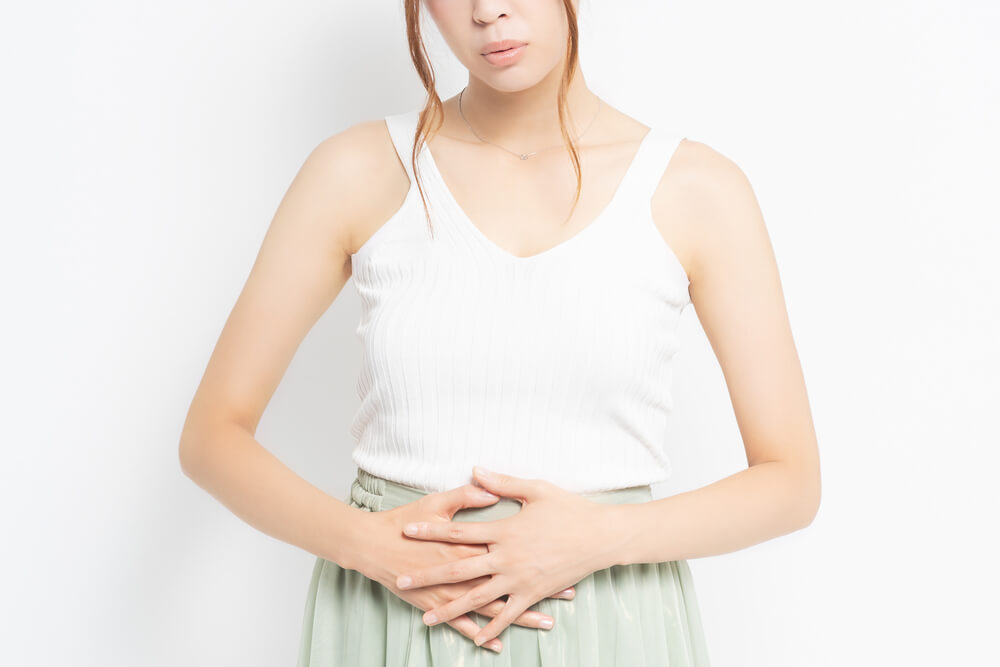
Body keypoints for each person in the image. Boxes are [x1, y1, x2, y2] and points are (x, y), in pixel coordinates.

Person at [179, 0, 821, 664]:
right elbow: (212, 436)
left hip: (607, 624)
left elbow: (791, 480)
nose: (488, 11)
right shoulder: (357, 170)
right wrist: (366, 544)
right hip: (390, 610)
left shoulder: (696, 189)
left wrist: (599, 537)